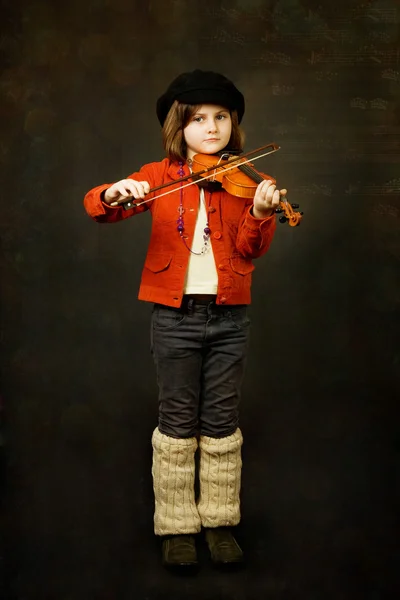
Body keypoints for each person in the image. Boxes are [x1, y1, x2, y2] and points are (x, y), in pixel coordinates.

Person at [83, 69, 287, 570]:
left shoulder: (244, 179)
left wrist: (260, 213)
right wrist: (115, 192)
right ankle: (176, 526)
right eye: (199, 119)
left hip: (229, 316)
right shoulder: (158, 175)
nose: (212, 127)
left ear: (232, 124)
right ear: (180, 126)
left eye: (221, 117)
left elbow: (250, 248)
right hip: (174, 316)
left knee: (220, 420)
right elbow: (100, 206)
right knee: (177, 420)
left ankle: (219, 521)